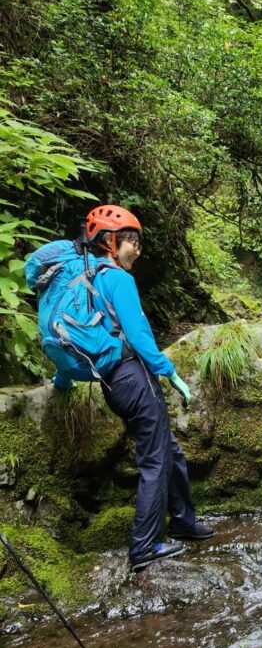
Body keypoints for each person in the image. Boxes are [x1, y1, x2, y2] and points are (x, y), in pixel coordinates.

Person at [25, 204, 213, 572]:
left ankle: (184, 519)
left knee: (167, 448)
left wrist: (62, 381)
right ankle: (143, 547)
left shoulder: (83, 278)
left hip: (114, 384)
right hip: (134, 376)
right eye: (131, 241)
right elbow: (140, 336)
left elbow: (73, 341)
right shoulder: (116, 279)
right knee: (155, 459)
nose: (137, 250)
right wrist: (168, 370)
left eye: (139, 243)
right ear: (110, 241)